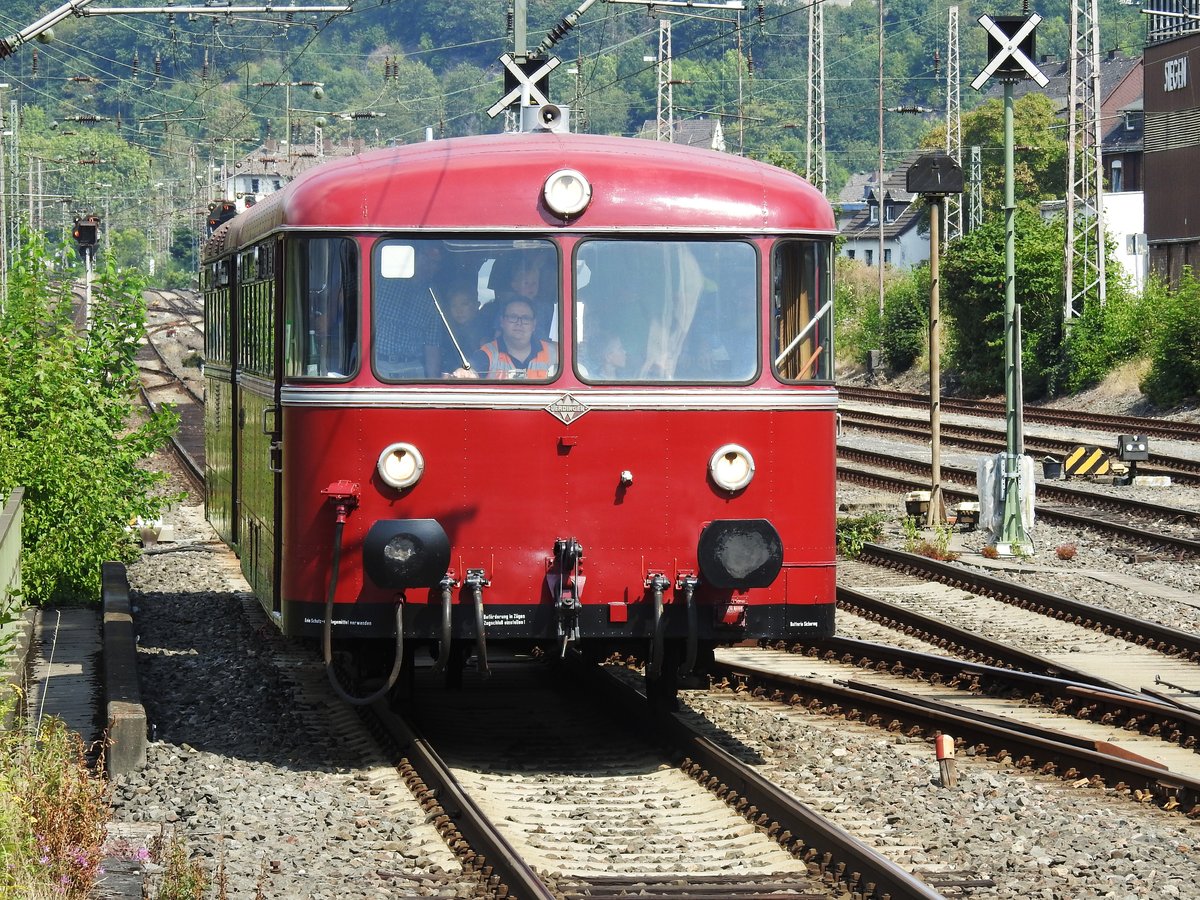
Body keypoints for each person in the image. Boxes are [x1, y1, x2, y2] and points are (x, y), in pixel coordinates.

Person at [373, 242, 445, 378]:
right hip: (376, 364)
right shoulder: (381, 278)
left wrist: (433, 384)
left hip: (412, 366)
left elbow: (432, 345)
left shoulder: (433, 297)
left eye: (434, 263)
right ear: (414, 255)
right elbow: (347, 292)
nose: (428, 265)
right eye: (425, 257)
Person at [454, 298, 557, 379]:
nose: (519, 323)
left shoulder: (553, 352)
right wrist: (464, 373)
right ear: (502, 322)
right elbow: (472, 371)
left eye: (525, 318)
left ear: (534, 324)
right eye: (513, 317)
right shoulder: (487, 353)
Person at [489, 251, 556, 340]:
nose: (531, 287)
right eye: (526, 283)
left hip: (542, 349)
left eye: (534, 283)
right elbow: (498, 333)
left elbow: (551, 330)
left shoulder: (545, 307)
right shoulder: (507, 306)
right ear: (515, 285)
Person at [431, 282, 495, 374]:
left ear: (476, 305)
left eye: (464, 304)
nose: (459, 311)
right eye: (454, 305)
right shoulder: (447, 332)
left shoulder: (486, 331)